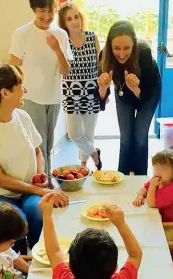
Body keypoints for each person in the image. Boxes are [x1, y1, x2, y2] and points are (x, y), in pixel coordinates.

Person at [0, 64, 69, 250]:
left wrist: (40, 174)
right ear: (5, 92)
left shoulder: (22, 116)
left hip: (29, 190)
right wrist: (40, 191)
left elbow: (38, 151)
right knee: (12, 222)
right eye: (21, 84)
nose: (25, 89)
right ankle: (15, 269)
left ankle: (42, 260)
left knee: (39, 213)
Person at [9, 0, 73, 179]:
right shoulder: (22, 33)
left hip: (53, 97)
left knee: (48, 144)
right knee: (37, 144)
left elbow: (65, 71)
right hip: (30, 97)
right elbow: (14, 66)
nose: (46, 16)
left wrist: (57, 49)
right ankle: (42, 183)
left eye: (50, 11)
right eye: (41, 11)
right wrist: (17, 91)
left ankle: (44, 181)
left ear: (56, 10)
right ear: (34, 10)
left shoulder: (60, 35)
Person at [98, 20, 161, 175]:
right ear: (110, 46)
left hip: (147, 91)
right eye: (116, 48)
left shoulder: (144, 52)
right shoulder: (104, 56)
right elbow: (100, 100)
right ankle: (123, 176)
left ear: (133, 44)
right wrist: (103, 87)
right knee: (126, 138)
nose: (121, 53)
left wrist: (136, 90)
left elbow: (147, 94)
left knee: (139, 137)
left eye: (126, 48)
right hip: (123, 92)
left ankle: (140, 178)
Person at [39, 193, 142, 279]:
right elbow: (135, 255)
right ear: (115, 267)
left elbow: (54, 252)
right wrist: (121, 223)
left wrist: (47, 214)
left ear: (69, 266)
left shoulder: (64, 276)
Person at [58, 2, 104, 170]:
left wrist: (104, 92)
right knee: (74, 133)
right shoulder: (62, 41)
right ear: (64, 23)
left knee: (88, 133)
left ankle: (84, 165)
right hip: (71, 93)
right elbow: (61, 68)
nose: (74, 21)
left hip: (92, 91)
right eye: (69, 19)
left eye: (76, 16)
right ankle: (94, 154)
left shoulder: (92, 37)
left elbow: (100, 66)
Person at [132, 149, 173, 259]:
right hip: (160, 220)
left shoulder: (171, 189)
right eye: (156, 167)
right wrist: (140, 196)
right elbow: (143, 188)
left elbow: (151, 203)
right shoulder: (158, 180)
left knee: (153, 239)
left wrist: (152, 186)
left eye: (163, 169)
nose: (157, 171)